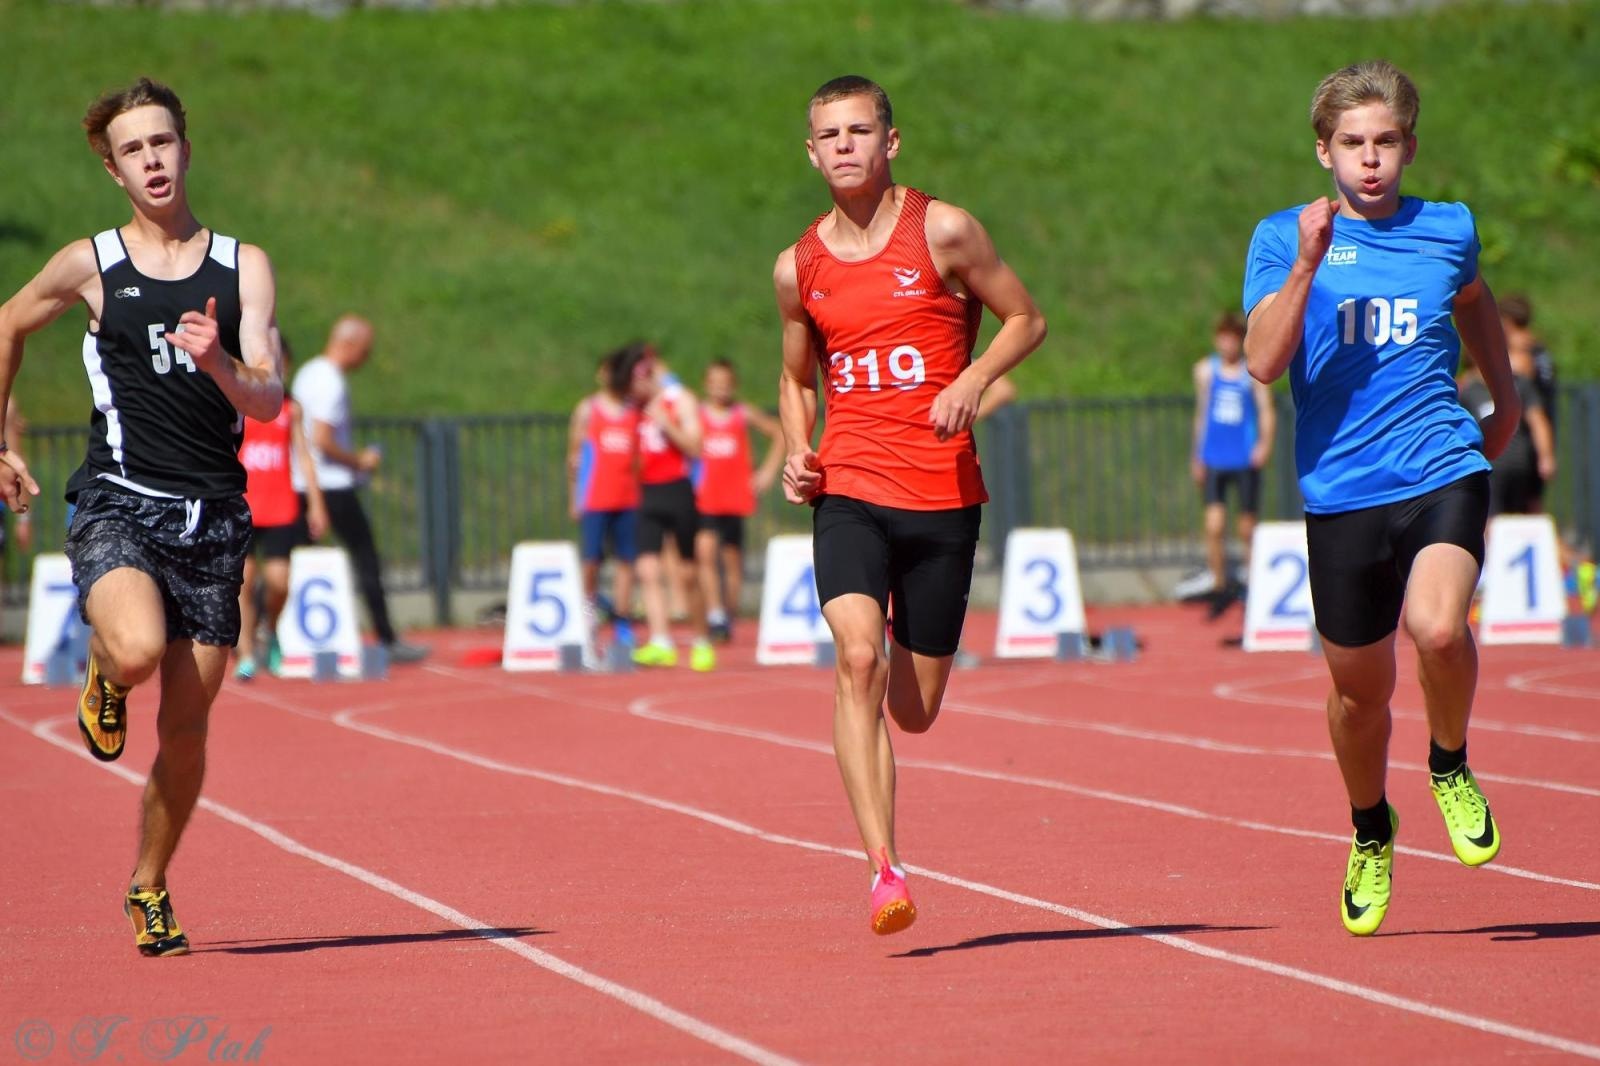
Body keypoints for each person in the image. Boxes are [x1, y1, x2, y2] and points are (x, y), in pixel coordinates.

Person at [0, 78, 284, 956]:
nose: (152, 160)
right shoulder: (91, 264)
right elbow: (6, 325)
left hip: (214, 518)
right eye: (133, 150)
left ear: (186, 152)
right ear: (113, 171)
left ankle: (149, 884)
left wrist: (222, 366)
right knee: (133, 649)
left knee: (186, 732)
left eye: (162, 142)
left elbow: (269, 397)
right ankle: (105, 673)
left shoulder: (243, 266)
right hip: (120, 500)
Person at [1242, 60, 1519, 936]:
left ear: (1410, 147)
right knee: (1360, 696)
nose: (1370, 159)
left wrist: (1505, 398)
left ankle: (1449, 761)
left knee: (1438, 628)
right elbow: (1263, 361)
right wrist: (1307, 264)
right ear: (1323, 150)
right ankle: (1370, 828)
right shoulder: (1282, 237)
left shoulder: (1448, 228)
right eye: (1353, 143)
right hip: (1342, 491)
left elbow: (1473, 301)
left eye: (1386, 142)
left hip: (1440, 464)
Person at [775, 75, 1047, 934]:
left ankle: (903, 669)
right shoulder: (797, 267)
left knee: (914, 711)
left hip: (941, 496)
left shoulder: (944, 231)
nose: (845, 146)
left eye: (860, 131)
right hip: (850, 488)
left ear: (890, 142)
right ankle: (883, 869)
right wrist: (797, 448)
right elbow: (796, 378)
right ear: (811, 152)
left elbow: (1026, 319)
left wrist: (973, 378)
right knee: (858, 659)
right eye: (830, 135)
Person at [290, 315, 427, 663]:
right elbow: (322, 440)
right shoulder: (331, 381)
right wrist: (359, 461)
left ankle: (269, 633)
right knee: (365, 556)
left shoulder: (307, 372)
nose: (366, 359)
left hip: (302, 482)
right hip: (332, 484)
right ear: (348, 345)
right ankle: (386, 637)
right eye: (365, 351)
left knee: (294, 560)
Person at [235, 332, 327, 679]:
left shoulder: (291, 409)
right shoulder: (238, 405)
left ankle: (270, 630)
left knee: (278, 581)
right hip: (243, 503)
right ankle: (245, 652)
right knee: (243, 580)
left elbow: (304, 456)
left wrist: (316, 503)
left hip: (279, 505)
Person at [626, 343, 716, 671]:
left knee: (687, 573)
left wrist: (666, 423)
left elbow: (695, 447)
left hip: (677, 490)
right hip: (646, 493)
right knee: (647, 568)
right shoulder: (632, 408)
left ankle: (702, 640)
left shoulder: (680, 400)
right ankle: (661, 640)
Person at [1191, 311, 1275, 619]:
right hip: (1215, 457)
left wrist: (1264, 444)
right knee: (1213, 525)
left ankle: (1252, 585)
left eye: (1233, 338)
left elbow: (1266, 411)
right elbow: (1202, 413)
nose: (1227, 344)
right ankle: (1219, 583)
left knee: (1246, 527)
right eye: (1223, 338)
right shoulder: (1205, 371)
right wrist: (1197, 454)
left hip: (1243, 457)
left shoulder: (1250, 372)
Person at [693, 358, 782, 643]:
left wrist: (766, 472)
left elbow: (778, 433)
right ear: (706, 385)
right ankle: (715, 613)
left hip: (734, 497)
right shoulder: (696, 415)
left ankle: (728, 616)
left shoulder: (742, 413)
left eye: (725, 383)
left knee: (732, 561)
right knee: (705, 552)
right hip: (706, 496)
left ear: (733, 385)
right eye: (715, 383)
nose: (720, 389)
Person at [568, 346, 641, 648]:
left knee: (627, 561)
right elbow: (575, 457)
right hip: (596, 497)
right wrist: (574, 496)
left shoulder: (634, 411)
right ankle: (589, 611)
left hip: (627, 498)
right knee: (591, 561)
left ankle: (622, 619)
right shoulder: (588, 410)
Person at [1458, 348, 1554, 517]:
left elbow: (1538, 421)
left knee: (1520, 517)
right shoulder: (1469, 391)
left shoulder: (1519, 385)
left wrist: (1546, 456)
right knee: (1488, 518)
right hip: (1487, 466)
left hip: (1518, 465)